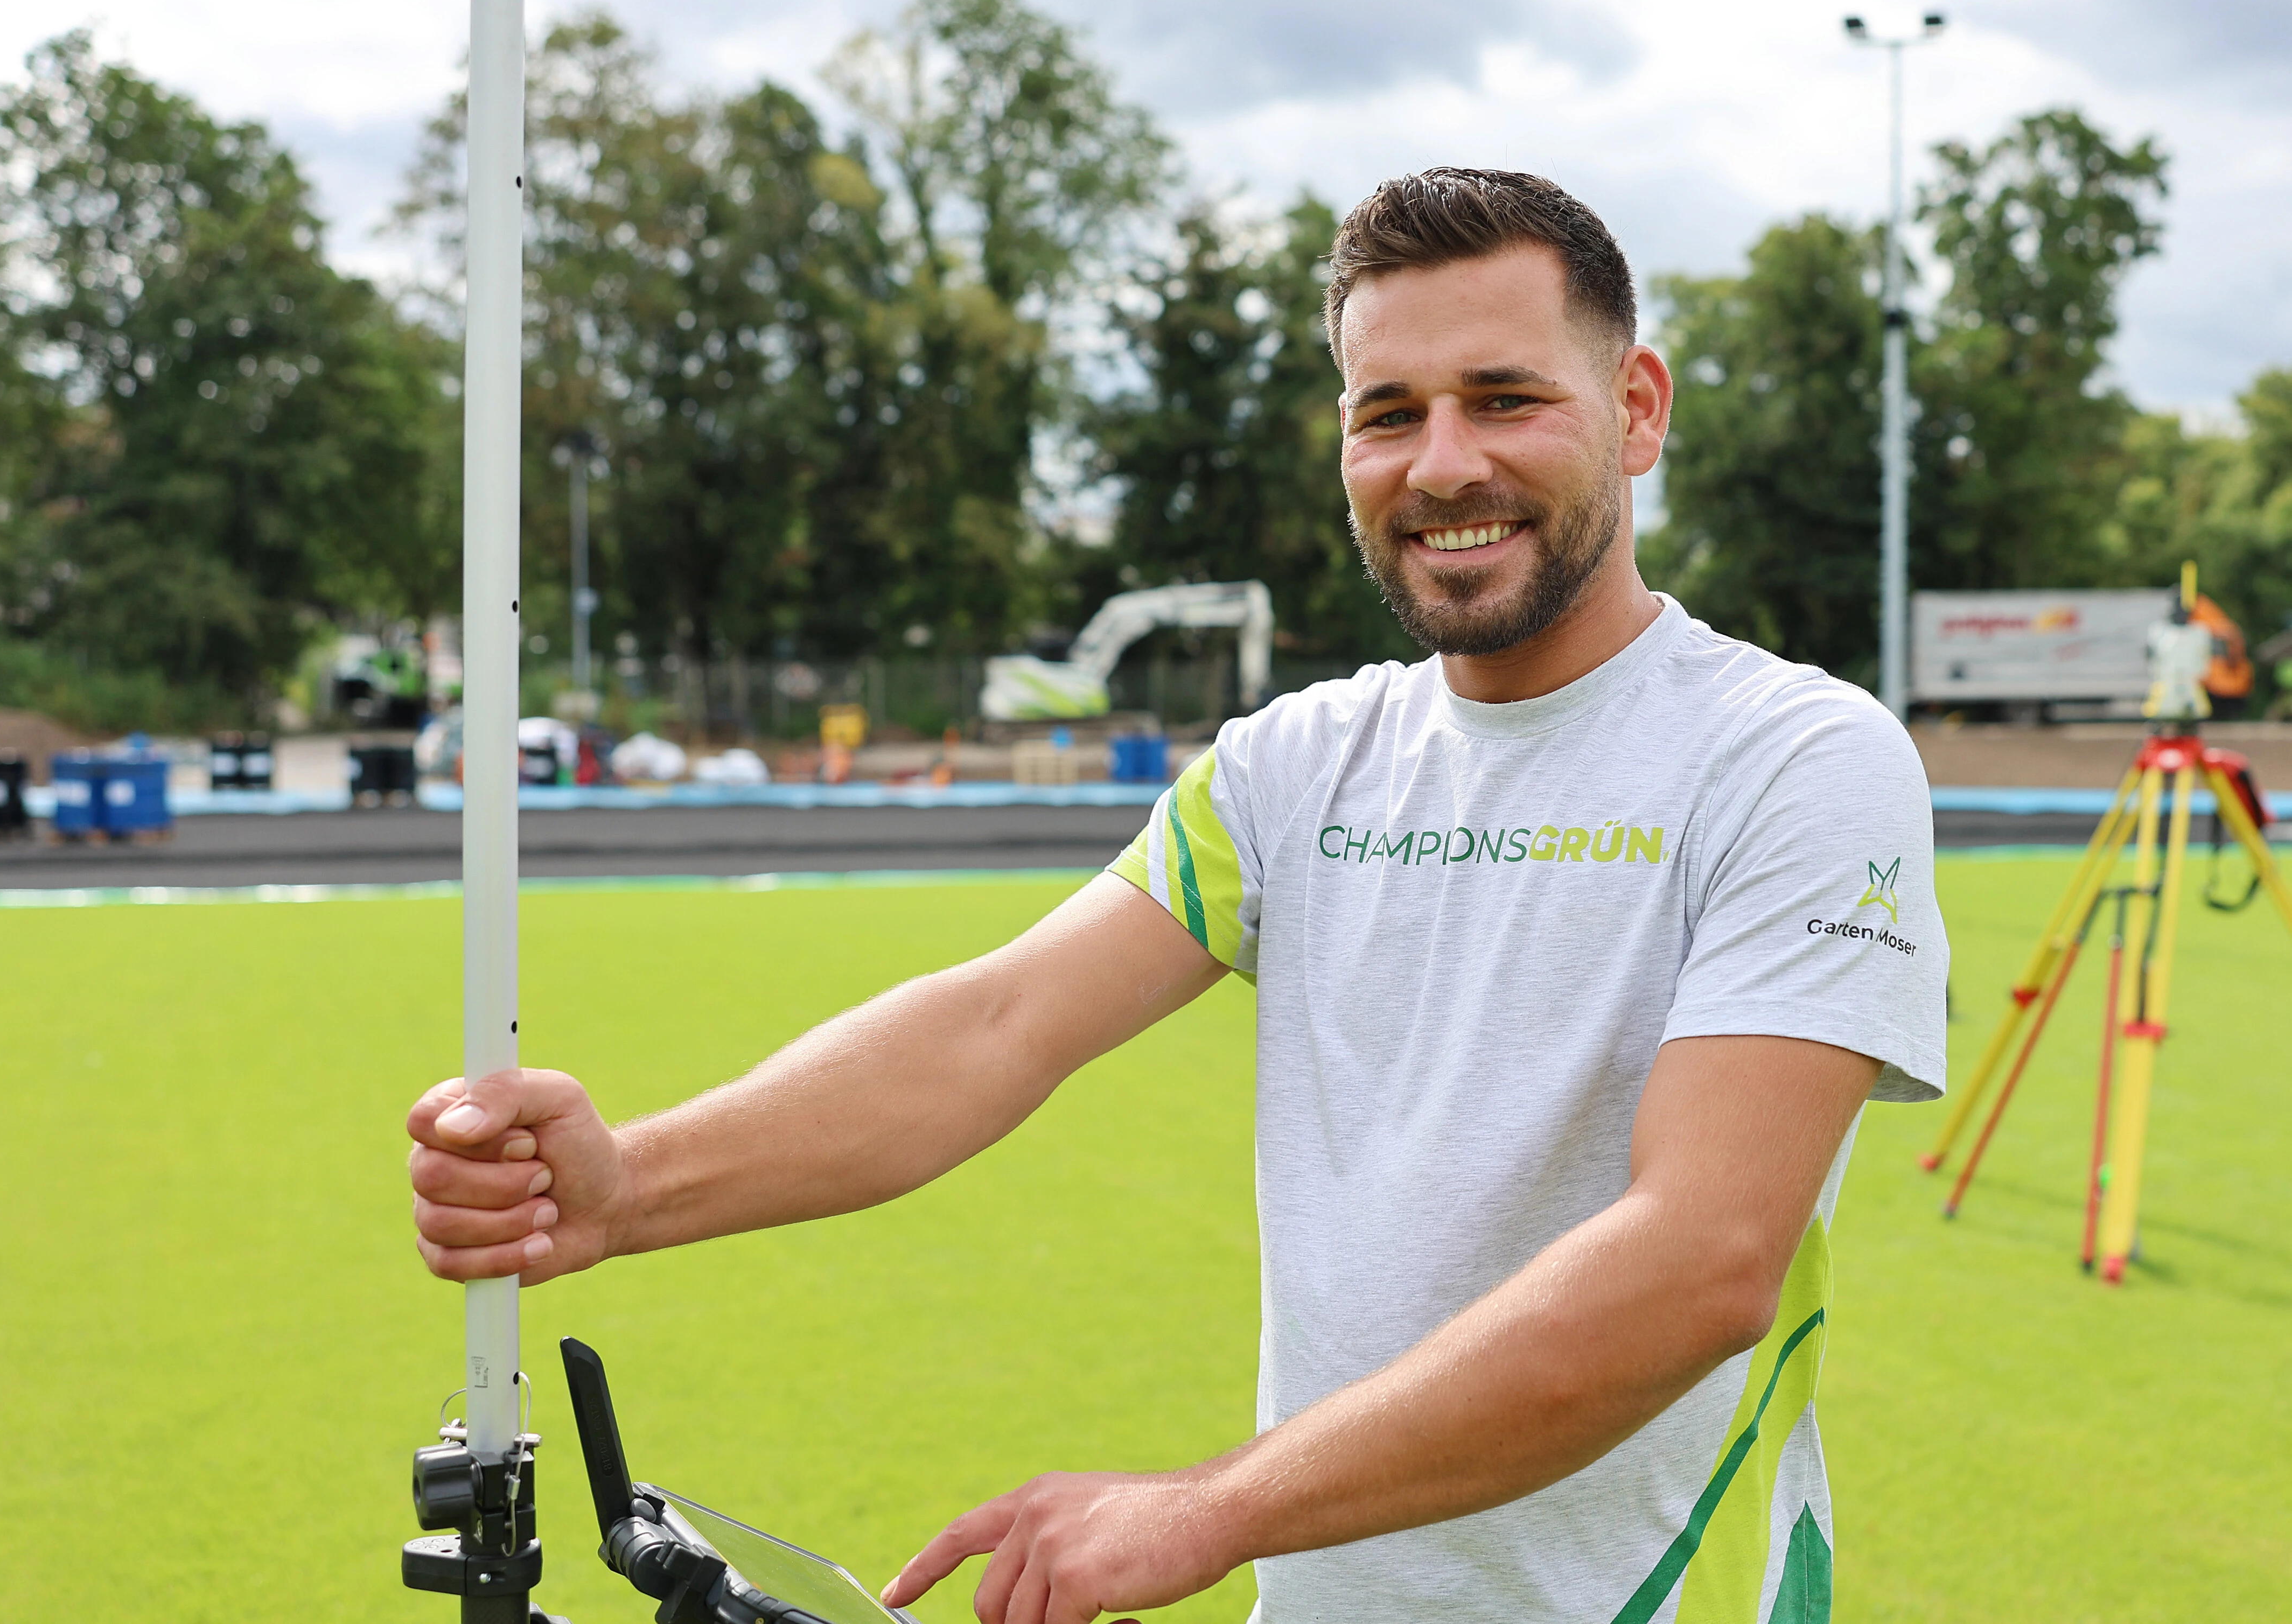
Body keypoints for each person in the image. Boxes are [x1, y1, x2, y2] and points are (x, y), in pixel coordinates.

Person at [407, 167, 1948, 1624]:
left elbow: (1703, 1256)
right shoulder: (1299, 763)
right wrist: (627, 1186)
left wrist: (1209, 1507)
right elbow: (1000, 1022)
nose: (1445, 464)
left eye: (1506, 398)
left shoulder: (1795, 759)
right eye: (1388, 412)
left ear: (1636, 407)